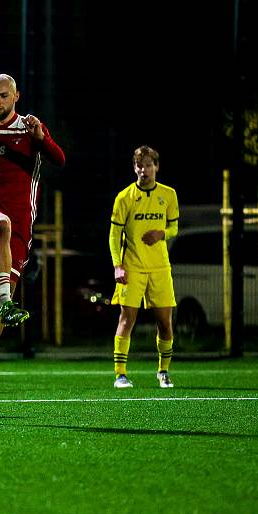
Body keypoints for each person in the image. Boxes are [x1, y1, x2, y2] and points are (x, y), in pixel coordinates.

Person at [0, 74, 65, 408]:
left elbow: (59, 160)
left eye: (3, 96)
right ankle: (7, 302)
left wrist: (42, 139)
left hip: (21, 227)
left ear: (16, 96)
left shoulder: (30, 130)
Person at [109, 145, 179, 389]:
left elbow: (174, 228)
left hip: (160, 268)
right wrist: (118, 265)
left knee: (165, 322)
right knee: (127, 319)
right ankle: (120, 375)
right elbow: (114, 235)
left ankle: (163, 371)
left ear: (156, 167)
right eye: (140, 165)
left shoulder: (168, 195)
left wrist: (162, 233)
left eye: (149, 165)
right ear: (134, 168)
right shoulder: (124, 197)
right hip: (132, 267)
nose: (144, 170)